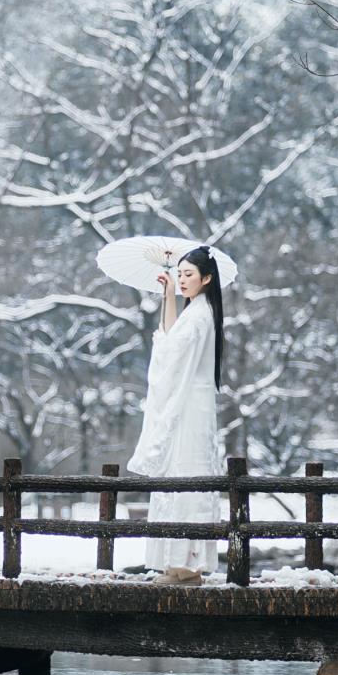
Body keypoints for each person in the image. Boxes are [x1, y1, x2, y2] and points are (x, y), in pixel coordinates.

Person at [127, 245, 224, 579]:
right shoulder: (197, 311)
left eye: (188, 275)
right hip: (191, 405)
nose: (182, 280)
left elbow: (169, 355)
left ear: (207, 278)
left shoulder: (200, 316)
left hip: (189, 408)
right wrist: (168, 295)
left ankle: (186, 564)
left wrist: (164, 350)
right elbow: (171, 341)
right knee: (178, 475)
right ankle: (179, 563)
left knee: (185, 475)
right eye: (179, 274)